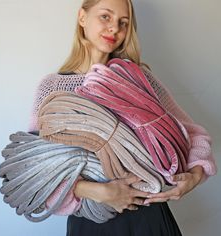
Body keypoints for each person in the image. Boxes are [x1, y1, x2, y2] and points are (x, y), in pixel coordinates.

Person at [29, 0, 217, 235]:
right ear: (82, 18)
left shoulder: (140, 80)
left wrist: (194, 176)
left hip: (149, 218)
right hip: (90, 224)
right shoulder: (53, 88)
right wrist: (98, 191)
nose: (115, 28)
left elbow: (191, 133)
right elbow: (37, 168)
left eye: (123, 23)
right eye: (105, 17)